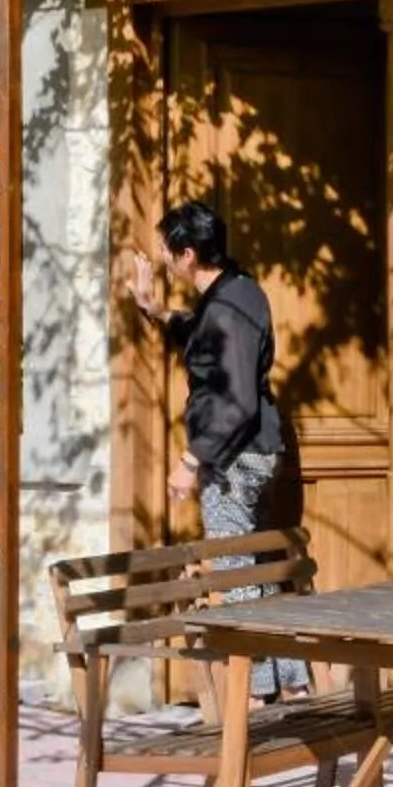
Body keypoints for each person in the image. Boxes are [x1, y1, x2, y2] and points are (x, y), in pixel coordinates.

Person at [125, 199, 304, 697]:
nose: (160, 257)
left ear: (187, 255)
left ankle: (253, 691)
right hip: (255, 450)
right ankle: (285, 682)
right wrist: (155, 310)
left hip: (235, 458)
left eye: (165, 249)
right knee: (259, 569)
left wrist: (190, 459)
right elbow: (205, 341)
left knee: (236, 569)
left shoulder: (228, 306)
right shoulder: (236, 294)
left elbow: (236, 398)